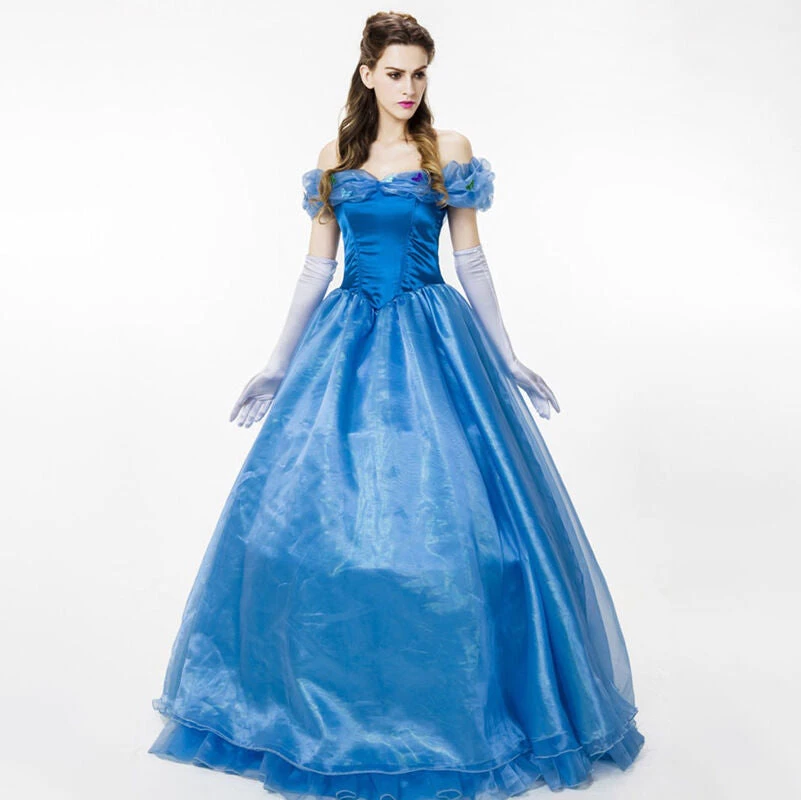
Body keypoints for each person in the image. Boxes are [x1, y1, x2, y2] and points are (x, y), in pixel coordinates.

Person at [148, 11, 645, 800]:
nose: (407, 88)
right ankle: (316, 704)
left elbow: (471, 261)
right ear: (367, 73)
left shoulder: (448, 150)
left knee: (459, 523)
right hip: (346, 339)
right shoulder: (335, 158)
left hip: (431, 335)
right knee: (306, 524)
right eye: (394, 73)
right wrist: (276, 364)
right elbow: (315, 270)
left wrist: (507, 357)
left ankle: (461, 704)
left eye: (419, 74)